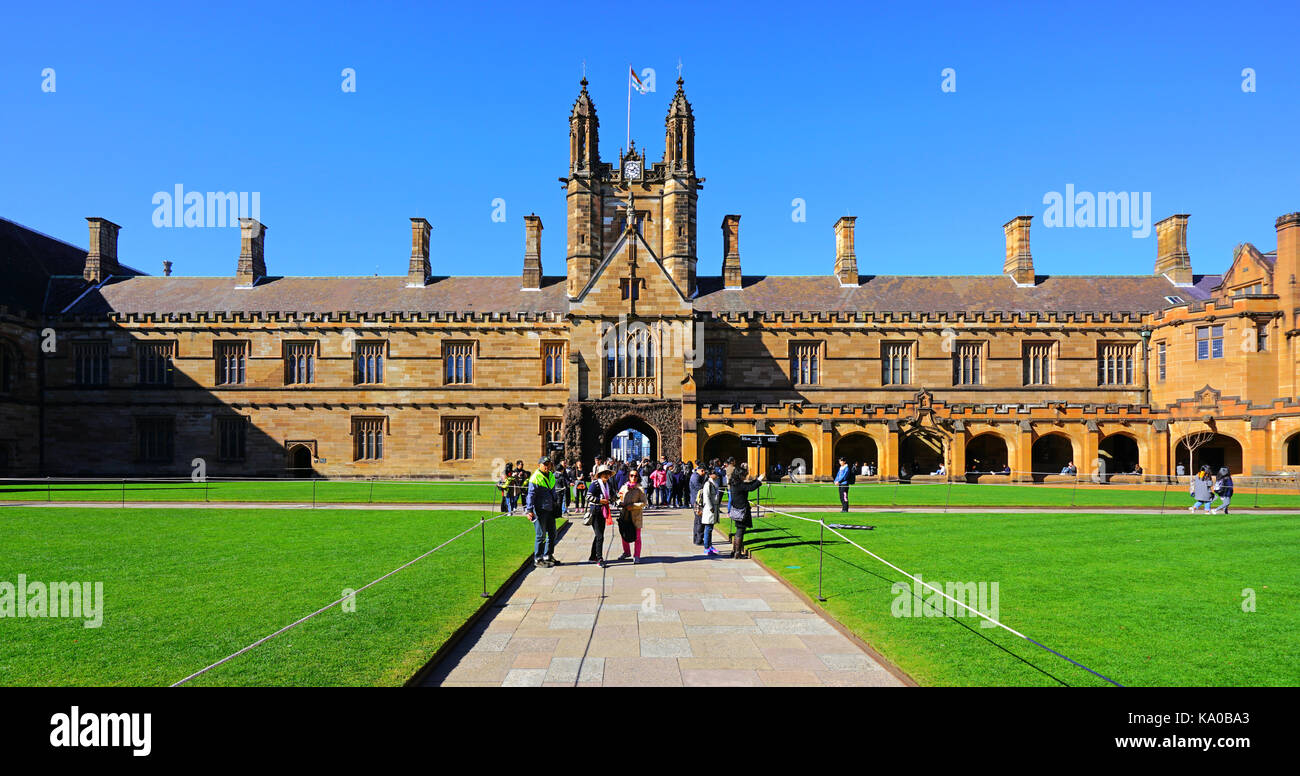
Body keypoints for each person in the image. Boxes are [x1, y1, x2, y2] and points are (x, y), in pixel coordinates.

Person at [525, 457, 561, 568]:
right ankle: (538, 558)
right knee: (540, 535)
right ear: (539, 465)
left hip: (549, 509)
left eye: (548, 464)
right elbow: (530, 495)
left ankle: (548, 555)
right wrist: (529, 510)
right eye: (544, 464)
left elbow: (553, 490)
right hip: (539, 510)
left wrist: (556, 502)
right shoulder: (535, 478)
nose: (547, 466)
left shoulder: (550, 475)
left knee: (552, 533)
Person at [727, 463, 764, 559]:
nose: (745, 477)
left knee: (738, 530)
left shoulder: (734, 483)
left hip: (736, 509)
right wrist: (759, 480)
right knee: (740, 531)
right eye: (744, 475)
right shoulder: (738, 484)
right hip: (741, 509)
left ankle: (735, 551)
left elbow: (747, 485)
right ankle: (737, 553)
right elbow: (750, 488)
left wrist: (756, 480)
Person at [616, 471, 648, 562]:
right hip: (624, 515)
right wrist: (619, 503)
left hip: (636, 516)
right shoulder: (624, 486)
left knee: (637, 537)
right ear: (628, 476)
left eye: (635, 476)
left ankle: (637, 555)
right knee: (624, 534)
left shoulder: (640, 489)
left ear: (638, 477)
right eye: (631, 475)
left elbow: (644, 503)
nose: (633, 477)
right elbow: (619, 497)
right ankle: (626, 552)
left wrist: (633, 506)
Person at [587, 465, 614, 566]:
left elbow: (610, 496)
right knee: (600, 536)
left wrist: (615, 498)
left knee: (599, 535)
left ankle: (593, 556)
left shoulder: (607, 484)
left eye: (608, 474)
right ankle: (599, 558)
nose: (606, 475)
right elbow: (588, 496)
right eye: (605, 474)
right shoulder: (595, 484)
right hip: (596, 511)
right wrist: (599, 500)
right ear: (600, 474)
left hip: (603, 511)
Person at [697, 467, 723, 556]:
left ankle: (710, 545)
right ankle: (706, 547)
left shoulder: (714, 483)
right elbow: (706, 497)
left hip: (713, 507)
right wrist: (710, 507)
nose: (717, 475)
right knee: (708, 528)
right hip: (709, 508)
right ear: (711, 475)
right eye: (715, 474)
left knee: (710, 528)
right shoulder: (707, 484)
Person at [689, 465, 706, 545]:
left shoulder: (695, 476)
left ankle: (696, 538)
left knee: (697, 521)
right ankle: (699, 539)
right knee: (699, 521)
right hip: (697, 501)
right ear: (701, 470)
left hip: (695, 500)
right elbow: (699, 488)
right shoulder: (696, 477)